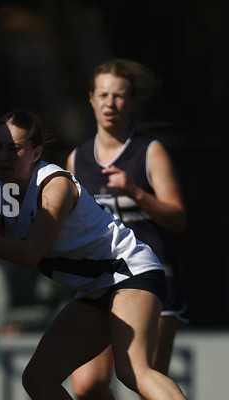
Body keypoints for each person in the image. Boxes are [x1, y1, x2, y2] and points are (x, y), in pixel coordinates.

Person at [0, 109, 184, 399]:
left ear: (36, 152)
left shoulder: (54, 184)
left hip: (131, 272)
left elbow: (30, 254)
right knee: (39, 378)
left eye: (14, 149)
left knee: (132, 371)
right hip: (96, 288)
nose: (2, 156)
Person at [67, 58, 187, 400]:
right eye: (103, 95)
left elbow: (178, 218)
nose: (110, 103)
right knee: (87, 385)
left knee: (141, 380)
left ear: (130, 101)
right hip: (100, 280)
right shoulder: (78, 158)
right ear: (91, 98)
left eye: (118, 96)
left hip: (151, 279)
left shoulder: (149, 151)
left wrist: (135, 192)